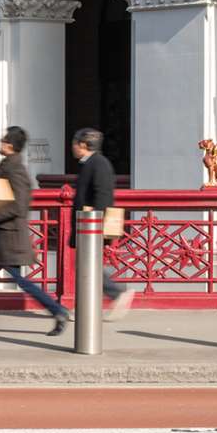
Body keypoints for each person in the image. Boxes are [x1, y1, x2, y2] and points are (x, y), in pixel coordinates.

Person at [0, 127, 70, 338]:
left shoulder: (15, 170)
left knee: (20, 281)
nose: (0, 143)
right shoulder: (7, 165)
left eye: (3, 141)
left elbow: (19, 206)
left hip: (8, 236)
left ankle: (58, 310)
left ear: (9, 145)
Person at [71, 127, 136, 319]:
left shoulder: (97, 164)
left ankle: (115, 293)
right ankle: (87, 306)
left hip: (90, 225)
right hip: (87, 225)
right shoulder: (91, 163)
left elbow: (103, 194)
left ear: (83, 144)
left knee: (88, 266)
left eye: (74, 143)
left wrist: (95, 219)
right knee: (87, 266)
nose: (72, 147)